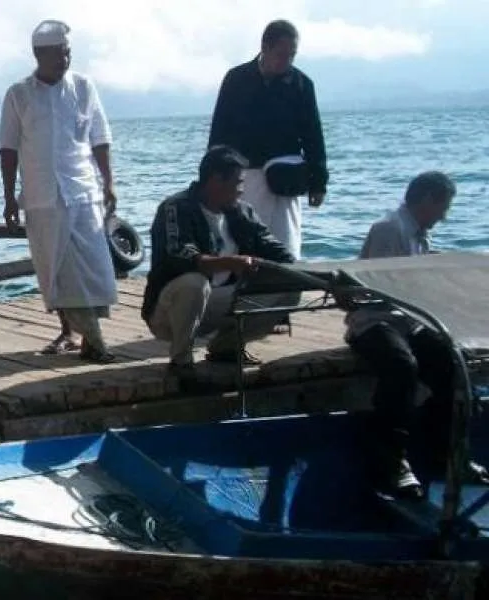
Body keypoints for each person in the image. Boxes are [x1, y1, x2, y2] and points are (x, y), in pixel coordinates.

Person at [344, 171, 488, 498]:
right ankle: (391, 462)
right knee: (401, 367)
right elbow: (379, 288)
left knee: (452, 364)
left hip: (407, 321)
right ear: (426, 200)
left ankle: (446, 452)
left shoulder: (419, 235)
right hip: (374, 321)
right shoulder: (389, 229)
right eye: (443, 207)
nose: (444, 216)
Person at [0, 19, 119, 363]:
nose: (65, 59)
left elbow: (100, 138)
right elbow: (8, 149)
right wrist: (9, 198)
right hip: (42, 196)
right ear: (39, 55)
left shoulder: (83, 87)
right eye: (58, 54)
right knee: (56, 268)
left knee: (93, 267)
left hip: (83, 191)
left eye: (68, 52)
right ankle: (76, 334)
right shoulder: (19, 94)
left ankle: (90, 335)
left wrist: (109, 182)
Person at [141, 146, 297, 391]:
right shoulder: (175, 208)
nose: (242, 189)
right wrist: (231, 263)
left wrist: (304, 273)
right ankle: (181, 360)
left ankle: (227, 347)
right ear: (216, 180)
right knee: (195, 283)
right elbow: (181, 256)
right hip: (171, 310)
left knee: (290, 286)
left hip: (220, 302)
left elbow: (276, 250)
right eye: (238, 182)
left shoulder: (242, 212)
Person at [208, 19, 327, 262]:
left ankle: (286, 282)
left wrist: (318, 182)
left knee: (286, 245)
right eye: (281, 54)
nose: (287, 61)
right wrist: (212, 176)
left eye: (292, 55)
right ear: (265, 47)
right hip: (243, 176)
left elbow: (313, 136)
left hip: (284, 178)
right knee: (238, 243)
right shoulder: (236, 79)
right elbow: (219, 129)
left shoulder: (301, 85)